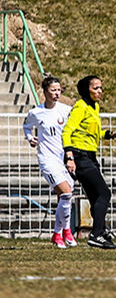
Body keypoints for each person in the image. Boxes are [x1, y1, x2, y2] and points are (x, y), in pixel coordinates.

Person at [61, 75, 116, 250]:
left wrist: (111, 134)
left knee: (95, 197)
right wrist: (69, 157)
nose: (100, 91)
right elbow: (67, 131)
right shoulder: (80, 107)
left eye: (101, 88)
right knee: (104, 194)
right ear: (86, 90)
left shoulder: (94, 107)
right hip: (78, 155)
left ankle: (101, 231)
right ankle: (97, 234)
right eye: (95, 88)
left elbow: (92, 132)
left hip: (89, 155)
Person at [23, 75, 76, 248]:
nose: (57, 93)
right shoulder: (36, 113)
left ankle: (57, 234)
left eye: (59, 90)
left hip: (64, 158)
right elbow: (27, 126)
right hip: (47, 159)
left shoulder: (66, 110)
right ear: (44, 92)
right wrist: (30, 137)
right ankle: (66, 231)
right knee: (67, 193)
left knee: (64, 197)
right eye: (53, 90)